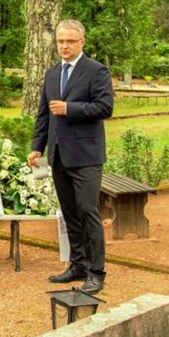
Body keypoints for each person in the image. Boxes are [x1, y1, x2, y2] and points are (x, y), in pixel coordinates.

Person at [28, 19, 114, 295]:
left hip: (86, 156)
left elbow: (105, 107)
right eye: (60, 41)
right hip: (58, 156)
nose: (64, 46)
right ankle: (78, 264)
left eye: (69, 41)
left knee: (88, 211)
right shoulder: (52, 73)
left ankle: (96, 273)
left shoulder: (96, 71)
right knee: (70, 213)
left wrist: (70, 108)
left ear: (81, 42)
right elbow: (44, 114)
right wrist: (37, 146)